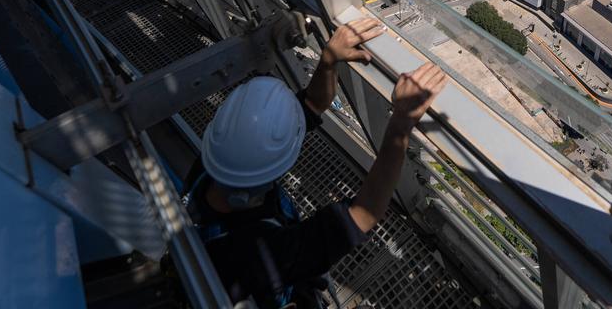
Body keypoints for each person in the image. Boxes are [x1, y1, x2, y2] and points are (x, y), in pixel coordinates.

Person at [183, 17, 448, 307]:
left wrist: (329, 60)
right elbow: (363, 214)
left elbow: (311, 103)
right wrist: (401, 123)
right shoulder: (263, 253)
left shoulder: (218, 162)